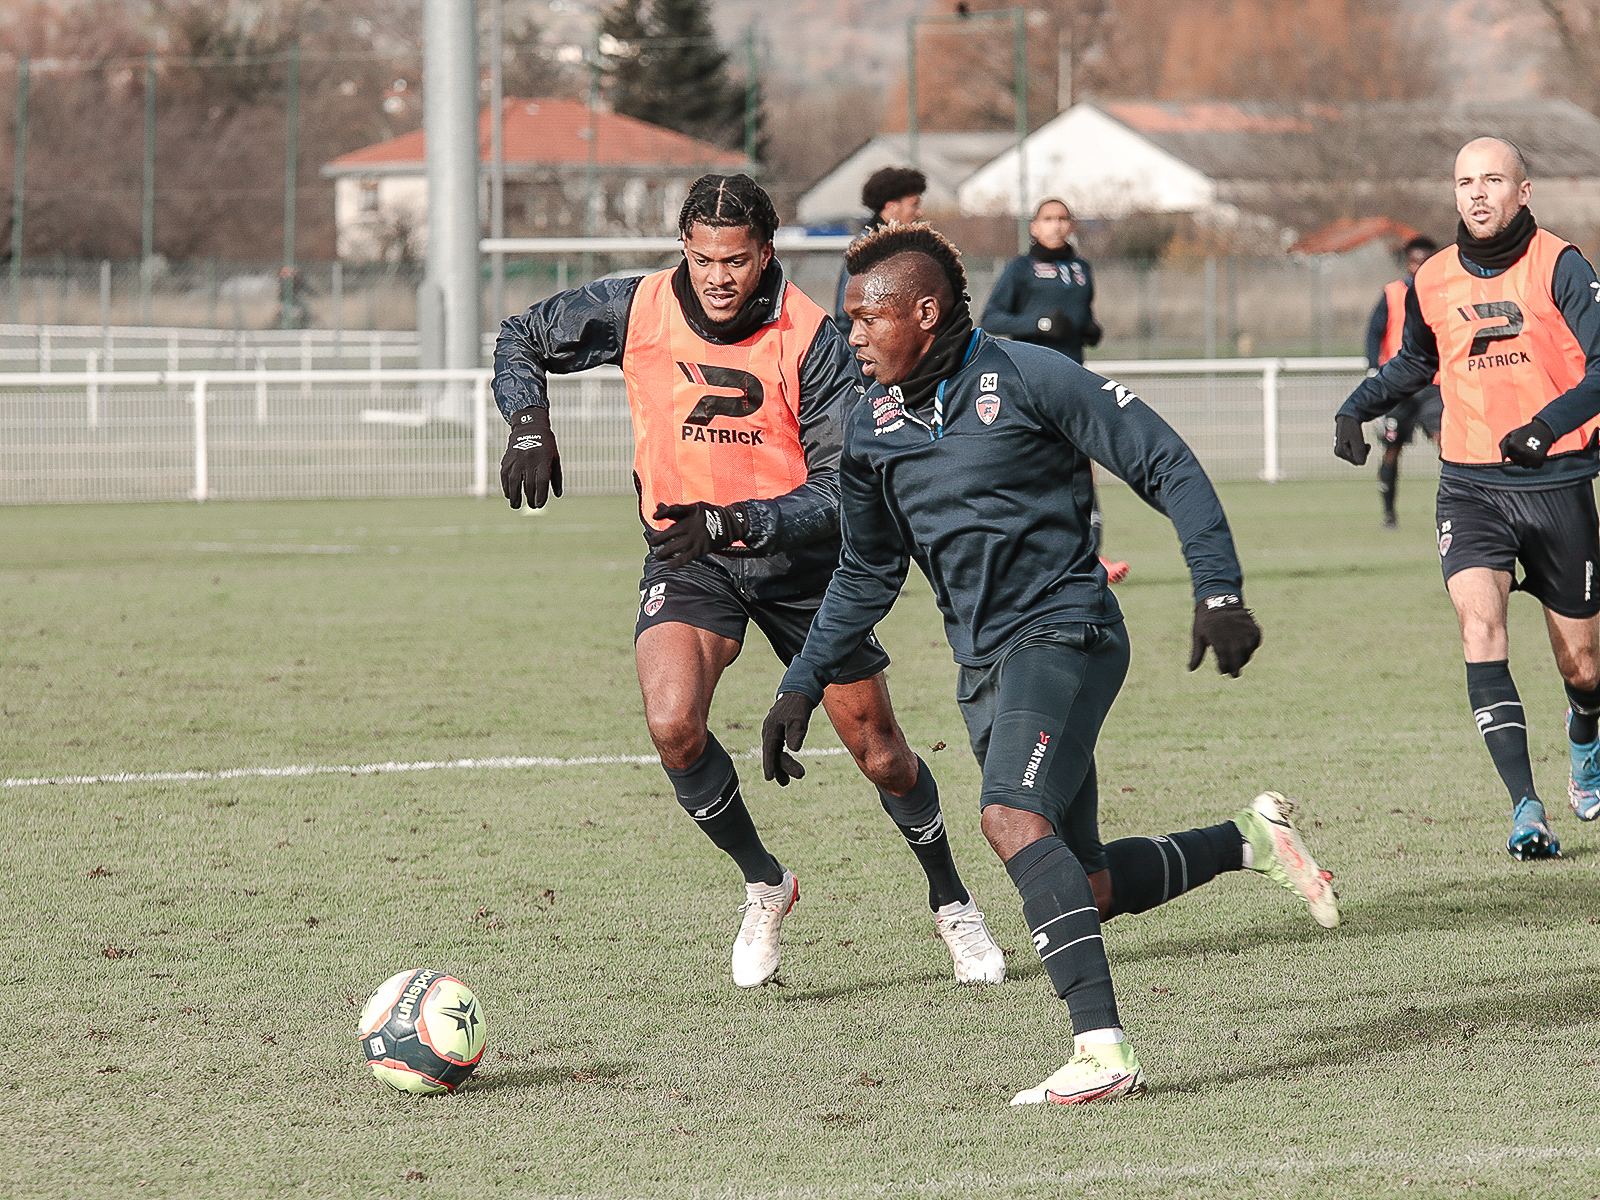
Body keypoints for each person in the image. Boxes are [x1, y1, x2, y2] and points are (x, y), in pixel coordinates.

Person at [763, 223, 1340, 1106]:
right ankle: (1251, 840)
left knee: (1007, 817)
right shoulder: (870, 430)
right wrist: (802, 681)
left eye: (865, 319)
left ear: (924, 312)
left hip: (1066, 633)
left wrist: (1218, 591)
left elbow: (1167, 463)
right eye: (847, 322)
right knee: (1087, 883)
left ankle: (1102, 1053)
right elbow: (867, 569)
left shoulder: (1030, 375)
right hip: (983, 665)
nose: (852, 337)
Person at [493, 174, 1004, 990]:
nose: (718, 277)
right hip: (690, 559)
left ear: (765, 254)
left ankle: (951, 898)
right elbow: (519, 335)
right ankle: (765, 883)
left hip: (805, 570)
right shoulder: (640, 307)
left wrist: (741, 520)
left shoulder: (812, 336)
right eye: (701, 259)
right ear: (684, 253)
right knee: (673, 725)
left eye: (735, 260)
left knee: (879, 754)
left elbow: (843, 485)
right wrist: (527, 422)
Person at [1335, 137, 1600, 859]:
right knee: (1480, 630)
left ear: (1524, 191)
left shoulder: (1562, 265)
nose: (1477, 193)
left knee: (1585, 667)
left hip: (1559, 482)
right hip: (1471, 485)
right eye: (1464, 182)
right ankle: (1525, 808)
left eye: (1492, 180)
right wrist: (1354, 406)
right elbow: (1419, 360)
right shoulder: (1435, 278)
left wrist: (1546, 429)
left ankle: (1585, 730)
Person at [981, 198, 1126, 583]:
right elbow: (992, 318)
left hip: (1073, 381)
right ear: (1033, 226)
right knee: (1025, 468)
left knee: (1083, 467)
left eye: (1063, 219)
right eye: (1048, 219)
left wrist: (1090, 328)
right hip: (1027, 382)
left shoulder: (1081, 269)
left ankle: (1090, 555)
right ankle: (1013, 556)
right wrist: (1041, 324)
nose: (1056, 225)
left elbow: (1082, 317)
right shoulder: (1021, 269)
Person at [1364, 235, 1444, 527]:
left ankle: (1457, 508)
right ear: (1407, 263)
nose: (1419, 267)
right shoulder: (1392, 293)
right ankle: (1389, 513)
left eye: (1426, 261)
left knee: (1446, 443)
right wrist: (1374, 370)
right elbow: (1374, 332)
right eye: (1414, 261)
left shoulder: (1446, 293)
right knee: (1392, 448)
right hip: (1399, 384)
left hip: (1433, 383)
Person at [834, 165, 927, 337]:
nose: (919, 212)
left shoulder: (907, 248)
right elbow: (847, 316)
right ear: (891, 206)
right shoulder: (865, 249)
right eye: (914, 205)